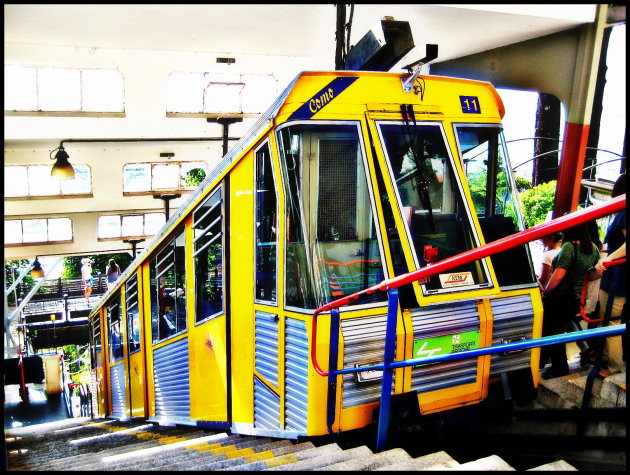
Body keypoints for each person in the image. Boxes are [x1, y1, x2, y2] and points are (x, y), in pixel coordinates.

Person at [539, 222, 600, 379]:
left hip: (559, 297)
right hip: (575, 299)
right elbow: (594, 274)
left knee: (551, 334)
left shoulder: (569, 246)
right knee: (555, 333)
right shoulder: (593, 248)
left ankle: (556, 369)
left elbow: (558, 275)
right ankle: (553, 368)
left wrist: (545, 292)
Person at [594, 173, 626, 378]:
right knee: (607, 321)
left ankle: (614, 368)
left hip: (618, 278)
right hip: (619, 278)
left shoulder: (624, 212)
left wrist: (608, 259)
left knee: (611, 322)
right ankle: (604, 359)